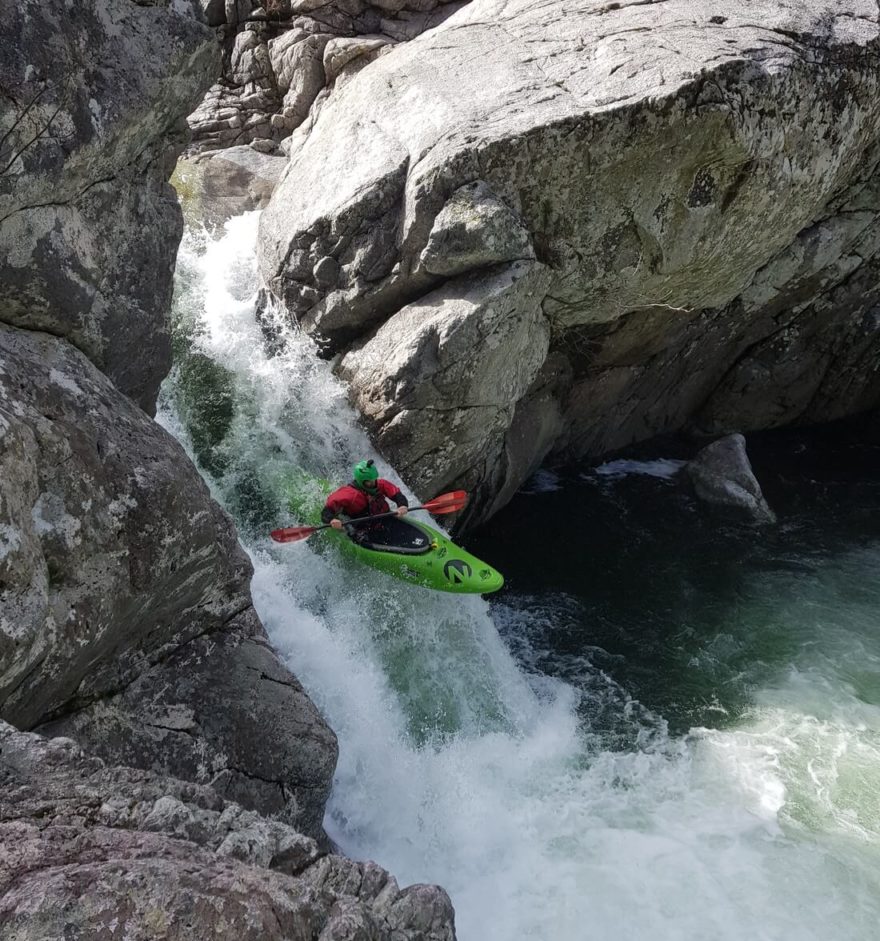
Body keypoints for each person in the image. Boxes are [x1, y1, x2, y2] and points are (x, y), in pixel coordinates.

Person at [321, 459, 409, 544]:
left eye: (374, 480)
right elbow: (326, 511)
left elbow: (397, 495)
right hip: (362, 529)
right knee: (363, 537)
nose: (374, 484)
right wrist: (331, 520)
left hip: (384, 519)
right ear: (361, 481)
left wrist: (402, 505)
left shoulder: (380, 484)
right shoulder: (349, 495)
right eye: (369, 482)